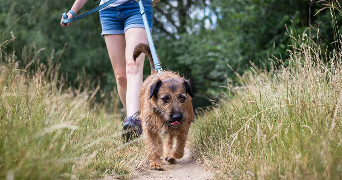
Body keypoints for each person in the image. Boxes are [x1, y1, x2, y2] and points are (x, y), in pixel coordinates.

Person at [60, 0, 159, 140]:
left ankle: (134, 120)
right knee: (120, 76)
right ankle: (133, 124)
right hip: (108, 11)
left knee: (133, 64)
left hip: (136, 7)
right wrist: (72, 11)